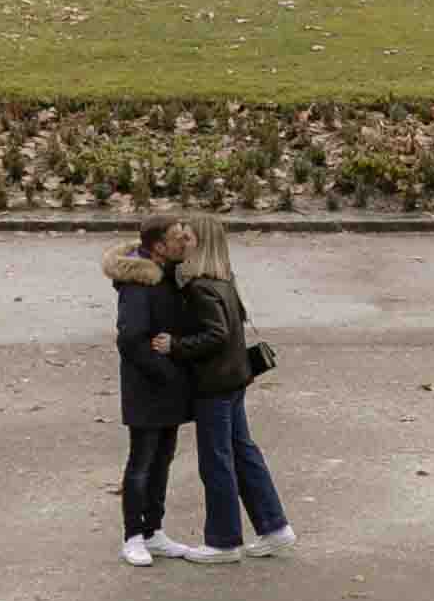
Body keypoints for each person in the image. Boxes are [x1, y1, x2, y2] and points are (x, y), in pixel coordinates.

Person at [162, 214, 293, 560]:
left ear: (201, 244)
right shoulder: (224, 280)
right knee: (242, 452)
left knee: (216, 461)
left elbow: (216, 334)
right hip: (235, 381)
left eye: (187, 238)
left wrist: (175, 346)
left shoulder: (201, 287)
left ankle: (223, 541)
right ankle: (274, 527)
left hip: (215, 387)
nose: (181, 244)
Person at [105, 222, 219, 565]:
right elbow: (130, 339)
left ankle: (153, 531)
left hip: (169, 387)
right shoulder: (139, 284)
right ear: (157, 246)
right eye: (177, 237)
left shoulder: (169, 274)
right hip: (147, 388)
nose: (184, 242)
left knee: (163, 460)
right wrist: (166, 372)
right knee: (141, 462)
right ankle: (133, 536)